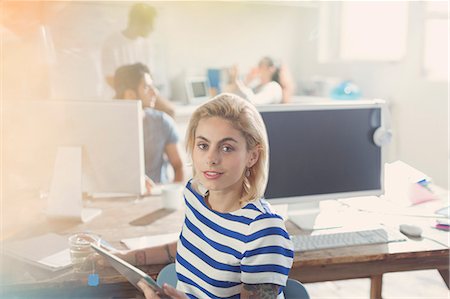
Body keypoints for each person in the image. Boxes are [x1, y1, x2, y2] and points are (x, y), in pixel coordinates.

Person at [105, 93, 294, 298]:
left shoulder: (263, 230)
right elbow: (192, 244)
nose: (211, 158)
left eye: (227, 148)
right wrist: (127, 257)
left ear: (252, 156)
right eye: (203, 145)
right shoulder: (196, 193)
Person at [113, 62, 183, 186]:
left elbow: (178, 166)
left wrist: (174, 195)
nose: (155, 92)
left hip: (156, 195)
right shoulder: (109, 126)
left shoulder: (162, 122)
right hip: (120, 195)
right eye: (147, 87)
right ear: (129, 94)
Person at [102, 3, 174, 117]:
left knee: (170, 111)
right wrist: (133, 95)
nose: (153, 29)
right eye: (150, 25)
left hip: (143, 92)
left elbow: (149, 75)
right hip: (122, 95)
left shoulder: (146, 44)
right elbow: (110, 78)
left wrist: (146, 93)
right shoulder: (112, 43)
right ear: (138, 22)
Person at [226, 56, 295, 105]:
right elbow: (237, 98)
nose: (258, 70)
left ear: (271, 69)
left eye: (261, 66)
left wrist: (236, 80)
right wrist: (247, 80)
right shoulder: (259, 86)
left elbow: (253, 102)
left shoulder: (274, 88)